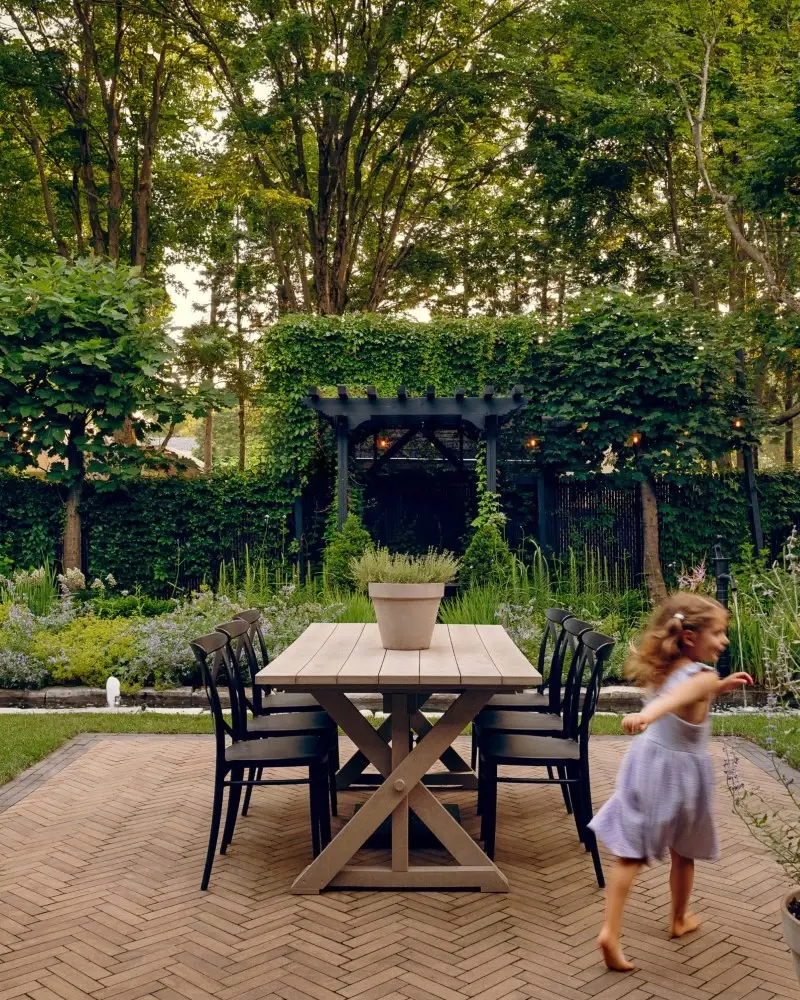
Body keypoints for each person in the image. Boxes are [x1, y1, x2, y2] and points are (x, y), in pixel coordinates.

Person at [589, 593, 753, 972]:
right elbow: (680, 696)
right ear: (691, 636)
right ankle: (677, 919)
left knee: (630, 853)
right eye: (718, 633)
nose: (724, 640)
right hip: (679, 775)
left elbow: (684, 693)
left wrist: (721, 686)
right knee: (684, 850)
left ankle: (613, 931)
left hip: (647, 762)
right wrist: (647, 714)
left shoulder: (670, 667)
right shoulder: (701, 676)